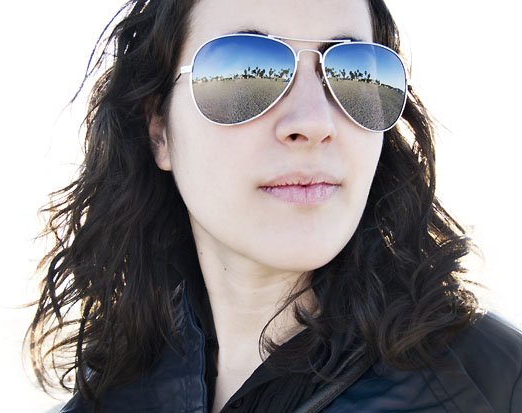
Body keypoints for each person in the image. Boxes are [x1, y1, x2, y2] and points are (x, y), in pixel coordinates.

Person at [27, 0, 522, 412]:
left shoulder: (498, 385)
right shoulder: (103, 398)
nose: (314, 121)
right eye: (246, 71)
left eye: (354, 73)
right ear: (160, 130)